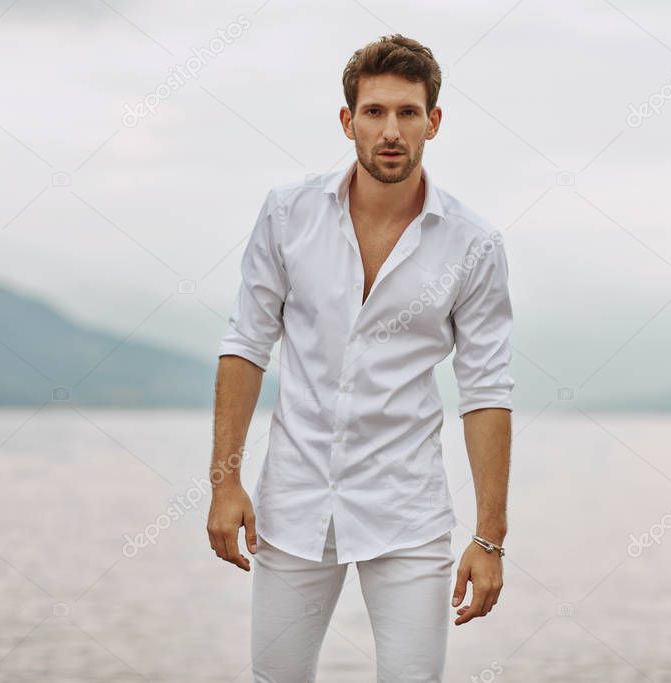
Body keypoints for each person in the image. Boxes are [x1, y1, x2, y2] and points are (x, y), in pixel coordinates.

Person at [207, 33, 514, 682]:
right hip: (292, 499)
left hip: (406, 509)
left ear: (434, 121)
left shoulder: (474, 244)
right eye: (374, 112)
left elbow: (485, 388)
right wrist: (224, 480)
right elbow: (246, 345)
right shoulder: (288, 214)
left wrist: (490, 537)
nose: (391, 130)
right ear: (348, 122)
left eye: (408, 112)